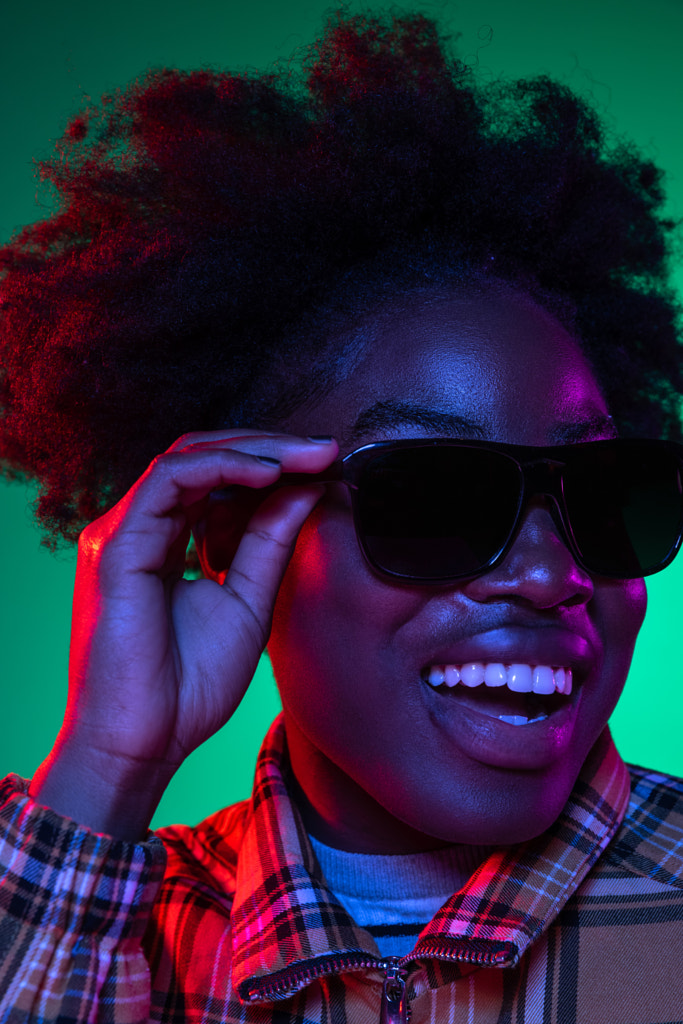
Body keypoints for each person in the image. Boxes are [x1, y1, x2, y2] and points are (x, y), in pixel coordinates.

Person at [0, 9, 682, 1022]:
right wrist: (107, 762)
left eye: (598, 497)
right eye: (434, 497)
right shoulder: (115, 924)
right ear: (234, 534)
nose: (549, 576)